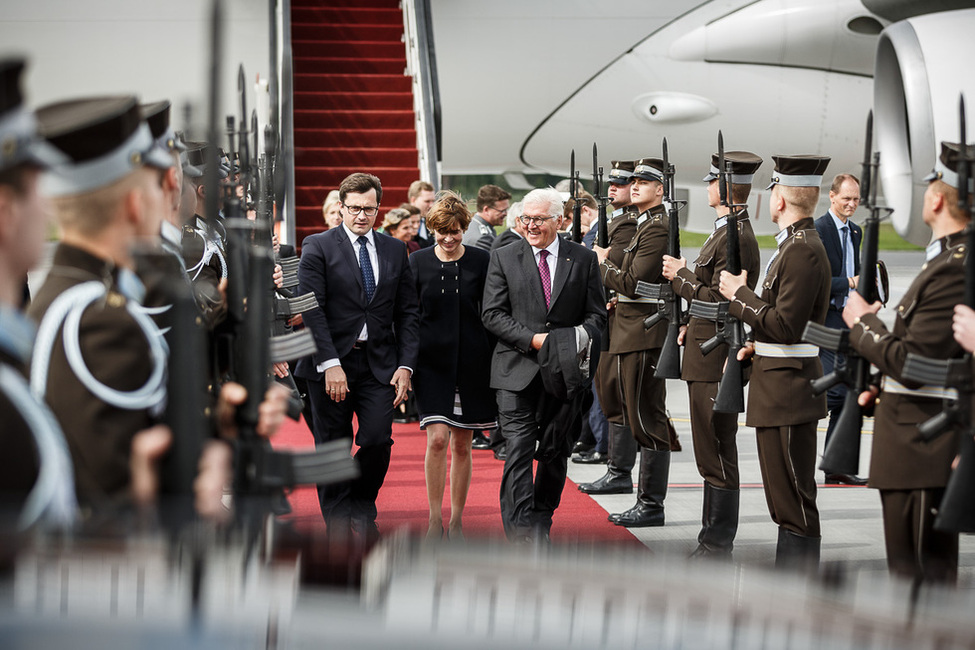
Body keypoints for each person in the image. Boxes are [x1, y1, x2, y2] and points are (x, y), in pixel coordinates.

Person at [842, 142, 971, 585]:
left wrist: (864, 324)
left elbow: (917, 365)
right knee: (913, 574)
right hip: (912, 435)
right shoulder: (947, 259)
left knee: (919, 577)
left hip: (921, 440)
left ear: (937, 199)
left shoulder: (955, 265)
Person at [719, 154, 832, 570]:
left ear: (780, 199)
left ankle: (799, 584)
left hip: (788, 388)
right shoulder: (792, 245)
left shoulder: (802, 251)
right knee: (783, 497)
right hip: (777, 382)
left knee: (793, 499)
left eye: (772, 193)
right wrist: (755, 340)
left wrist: (740, 295)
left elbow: (785, 326)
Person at [294, 172, 420, 544]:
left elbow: (408, 312)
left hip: (379, 363)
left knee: (378, 439)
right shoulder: (317, 245)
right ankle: (336, 521)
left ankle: (362, 505)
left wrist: (405, 365)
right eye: (354, 209)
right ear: (341, 208)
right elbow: (311, 308)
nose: (361, 216)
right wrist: (330, 362)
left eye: (369, 209)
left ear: (379, 209)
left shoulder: (395, 250)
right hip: (329, 364)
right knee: (332, 446)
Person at [482, 187, 605, 543]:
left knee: (554, 452)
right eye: (525, 219)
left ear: (560, 220)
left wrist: (571, 343)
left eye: (538, 219)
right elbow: (492, 314)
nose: (531, 226)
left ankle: (541, 520)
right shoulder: (504, 256)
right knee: (518, 449)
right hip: (515, 372)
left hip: (564, 375)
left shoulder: (582, 259)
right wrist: (533, 340)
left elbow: (596, 316)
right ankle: (519, 530)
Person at [662, 150, 763, 556]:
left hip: (716, 353)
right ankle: (711, 537)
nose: (706, 187)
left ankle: (718, 541)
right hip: (704, 350)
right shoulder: (724, 231)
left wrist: (682, 278)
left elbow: (727, 302)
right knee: (709, 448)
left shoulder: (736, 236)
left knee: (716, 449)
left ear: (723, 188)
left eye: (710, 181)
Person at [409, 192, 496, 540]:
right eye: (441, 231)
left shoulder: (481, 260)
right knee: (437, 441)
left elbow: (491, 312)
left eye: (456, 231)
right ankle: (434, 518)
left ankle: (457, 519)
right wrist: (406, 365)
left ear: (464, 228)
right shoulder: (416, 263)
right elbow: (409, 316)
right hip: (430, 364)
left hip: (474, 363)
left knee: (463, 444)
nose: (448, 238)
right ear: (431, 229)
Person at [594, 157, 673, 528]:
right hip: (631, 327)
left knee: (647, 418)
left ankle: (651, 505)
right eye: (634, 180)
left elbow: (632, 283)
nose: (635, 185)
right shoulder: (645, 224)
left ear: (660, 189)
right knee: (636, 414)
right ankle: (644, 499)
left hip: (643, 329)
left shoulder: (657, 228)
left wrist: (602, 262)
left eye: (645, 181)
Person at [577, 160, 641, 495]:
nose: (611, 188)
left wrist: (596, 258)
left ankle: (619, 470)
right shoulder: (616, 220)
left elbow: (610, 268)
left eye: (621, 183)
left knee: (617, 397)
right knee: (609, 394)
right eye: (611, 183)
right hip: (607, 318)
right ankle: (616, 469)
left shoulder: (628, 224)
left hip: (619, 320)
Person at [814, 173, 867, 486]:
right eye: (846, 198)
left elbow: (855, 271)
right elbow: (817, 281)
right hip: (827, 320)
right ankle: (834, 465)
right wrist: (848, 283)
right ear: (831, 196)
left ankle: (836, 465)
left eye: (856, 199)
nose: (851, 204)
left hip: (850, 318)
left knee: (850, 391)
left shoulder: (856, 231)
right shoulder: (819, 230)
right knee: (840, 393)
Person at [464, 184, 511, 251]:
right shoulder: (482, 238)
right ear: (486, 210)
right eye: (502, 211)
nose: (506, 214)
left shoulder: (473, 223)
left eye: (506, 210)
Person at [407, 179, 435, 247]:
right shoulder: (399, 222)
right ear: (413, 200)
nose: (431, 205)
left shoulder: (432, 222)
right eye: (427, 201)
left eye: (433, 201)